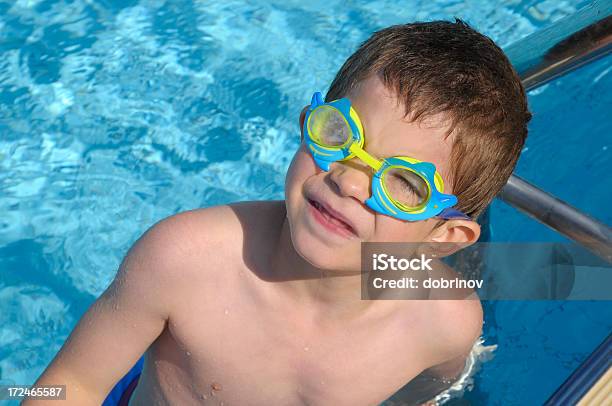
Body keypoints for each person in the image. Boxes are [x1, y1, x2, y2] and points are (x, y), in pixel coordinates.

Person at [26, 19, 531, 406]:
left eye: (403, 183)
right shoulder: (184, 260)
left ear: (446, 236)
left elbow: (439, 388)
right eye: (339, 134)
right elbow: (69, 385)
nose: (349, 180)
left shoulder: (443, 321)